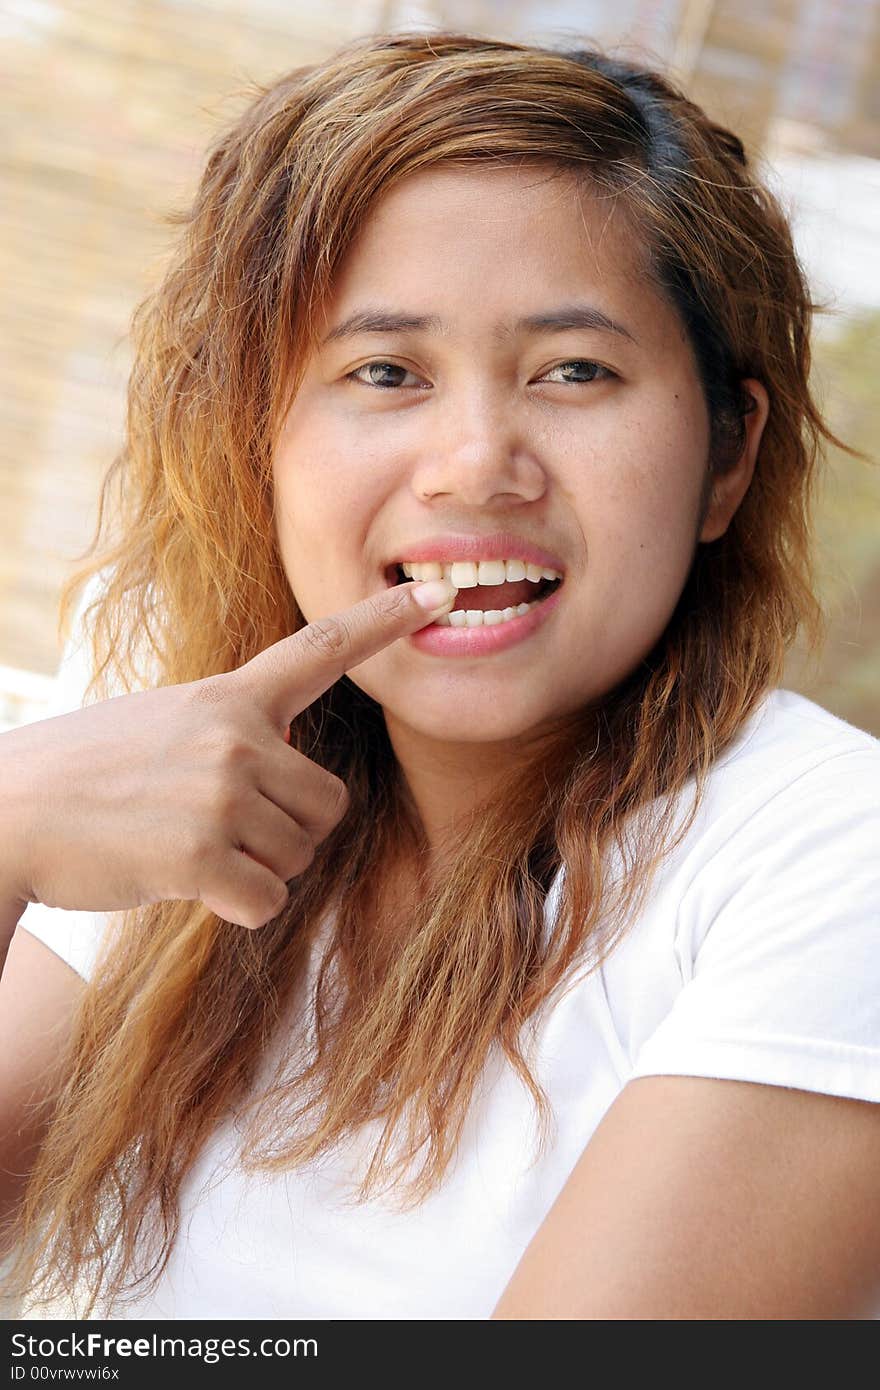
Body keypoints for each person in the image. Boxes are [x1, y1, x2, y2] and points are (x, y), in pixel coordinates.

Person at [1, 29, 879, 1322]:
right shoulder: (184, 742)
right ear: (254, 435)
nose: (476, 463)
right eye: (385, 371)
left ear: (729, 457)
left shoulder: (829, 856)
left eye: (575, 371)